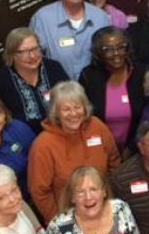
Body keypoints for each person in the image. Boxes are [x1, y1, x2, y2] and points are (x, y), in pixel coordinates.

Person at [28, 81, 121, 223]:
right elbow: (39, 191)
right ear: (56, 112)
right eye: (66, 109)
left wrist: (111, 199)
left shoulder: (97, 126)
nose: (73, 114)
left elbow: (114, 160)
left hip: (105, 209)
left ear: (85, 108)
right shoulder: (43, 145)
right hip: (69, 219)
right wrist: (59, 221)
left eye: (77, 107)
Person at [29, 0, 111, 80]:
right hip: (59, 92)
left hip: (95, 91)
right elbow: (32, 60)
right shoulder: (42, 19)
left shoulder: (101, 18)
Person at [0, 27, 69, 134]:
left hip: (61, 132)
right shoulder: (0, 81)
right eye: (24, 52)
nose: (32, 56)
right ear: (12, 55)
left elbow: (72, 98)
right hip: (23, 141)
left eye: (35, 49)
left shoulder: (53, 68)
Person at [78, 26, 148, 155]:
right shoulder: (89, 76)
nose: (116, 53)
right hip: (99, 149)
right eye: (108, 50)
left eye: (121, 47)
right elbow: (84, 118)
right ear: (98, 52)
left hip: (137, 150)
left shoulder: (141, 73)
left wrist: (132, 148)